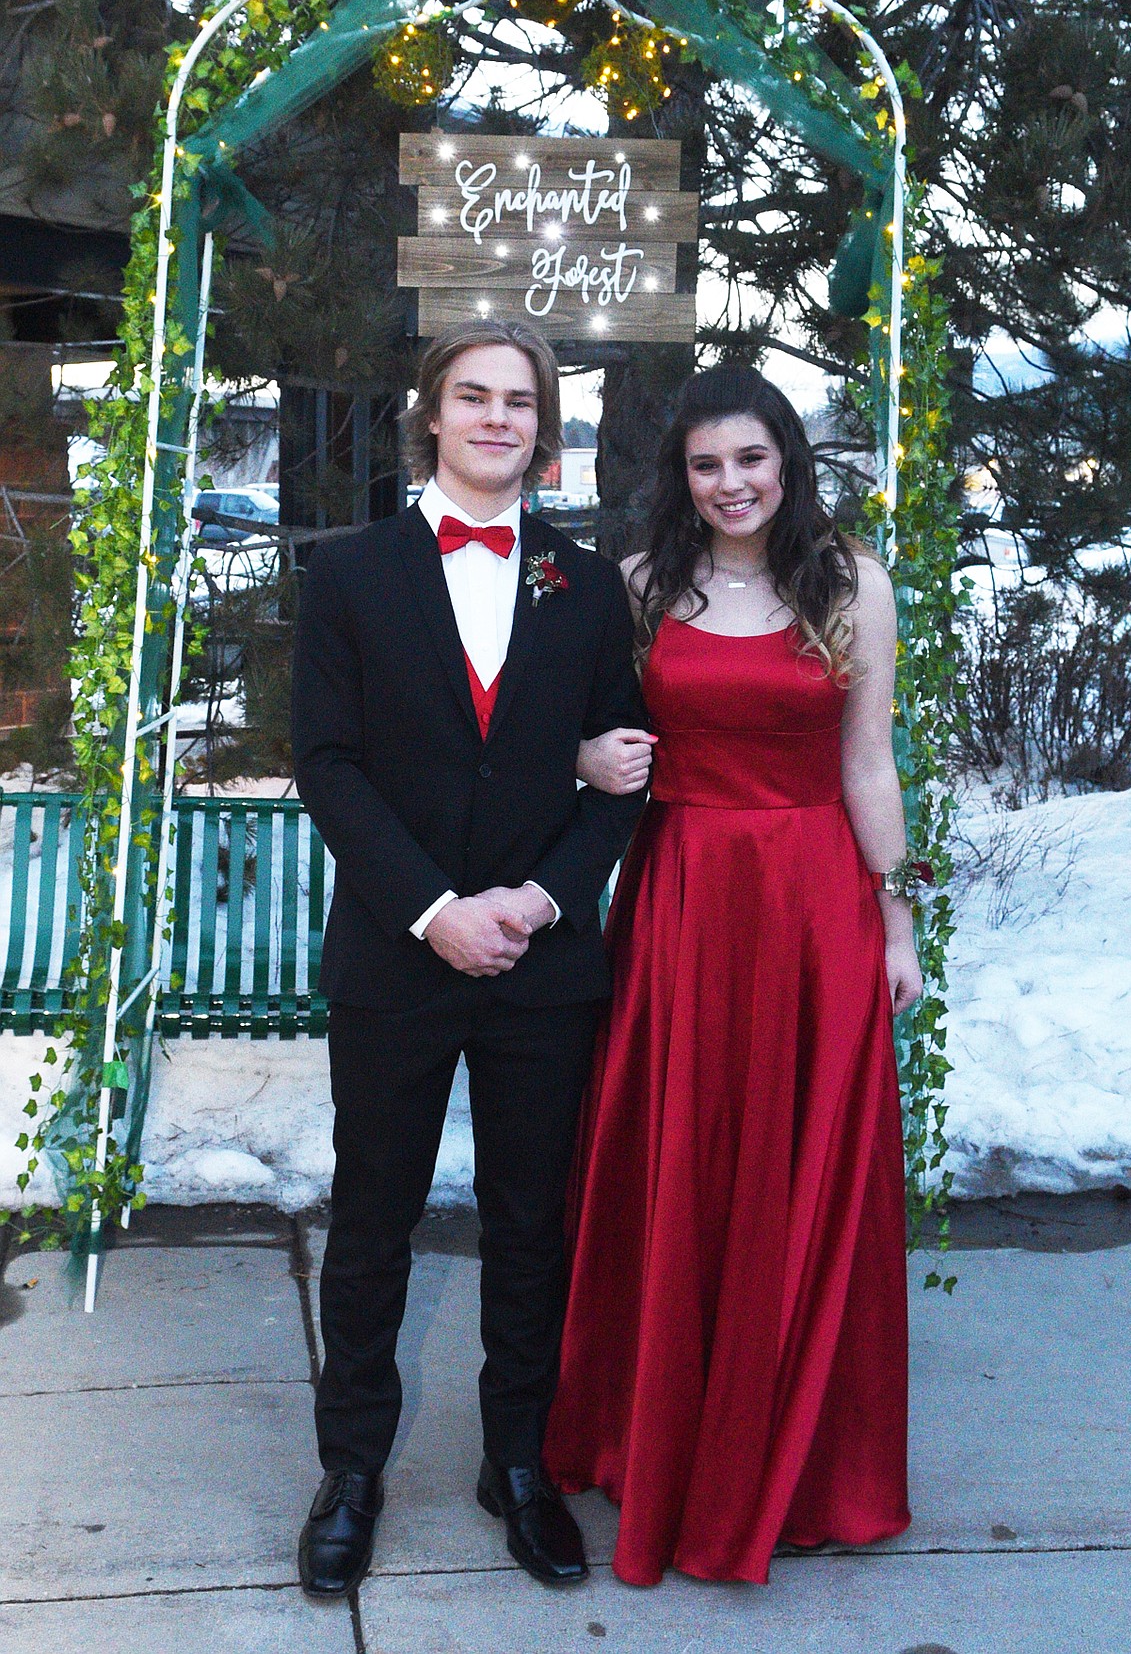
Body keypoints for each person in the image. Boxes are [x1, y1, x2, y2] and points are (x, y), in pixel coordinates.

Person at [545, 363, 922, 1586]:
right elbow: (588, 739)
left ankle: (803, 1460)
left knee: (804, 1172)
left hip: (814, 904)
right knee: (680, 1163)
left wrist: (898, 923)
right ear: (683, 478)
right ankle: (656, 1434)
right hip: (682, 901)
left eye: (751, 460)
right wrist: (583, 753)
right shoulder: (643, 589)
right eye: (708, 465)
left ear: (787, 462)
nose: (732, 484)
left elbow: (868, 765)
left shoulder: (852, 583)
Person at [290, 319, 645, 1598]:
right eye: (473, 396)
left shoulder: (587, 585)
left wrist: (542, 902)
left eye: (521, 401)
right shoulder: (350, 572)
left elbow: (622, 775)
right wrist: (435, 907)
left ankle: (519, 1463)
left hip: (543, 965)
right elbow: (326, 764)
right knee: (373, 1220)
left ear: (545, 428)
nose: (498, 417)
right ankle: (350, 1470)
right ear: (429, 415)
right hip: (398, 953)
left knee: (529, 1222)